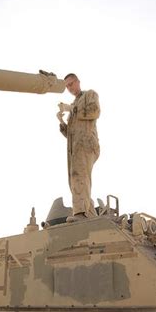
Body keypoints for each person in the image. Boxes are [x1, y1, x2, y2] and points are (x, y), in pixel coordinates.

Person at [57, 73, 100, 221]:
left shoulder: (90, 95)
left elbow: (94, 111)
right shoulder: (74, 106)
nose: (69, 88)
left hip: (86, 144)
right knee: (75, 179)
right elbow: (71, 134)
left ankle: (81, 213)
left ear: (78, 82)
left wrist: (72, 108)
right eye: (67, 86)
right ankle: (91, 216)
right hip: (75, 148)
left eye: (71, 84)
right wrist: (62, 122)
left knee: (79, 176)